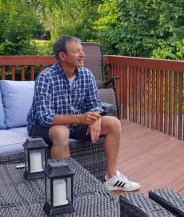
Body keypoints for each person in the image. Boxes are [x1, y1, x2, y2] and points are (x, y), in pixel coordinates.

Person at [27, 35, 140, 191]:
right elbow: (45, 117)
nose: (83, 54)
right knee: (61, 132)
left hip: (74, 124)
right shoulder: (46, 78)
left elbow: (95, 104)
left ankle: (111, 177)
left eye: (82, 50)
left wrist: (96, 119)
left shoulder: (86, 75)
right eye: (76, 51)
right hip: (42, 126)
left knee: (113, 123)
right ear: (62, 56)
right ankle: (62, 186)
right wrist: (81, 118)